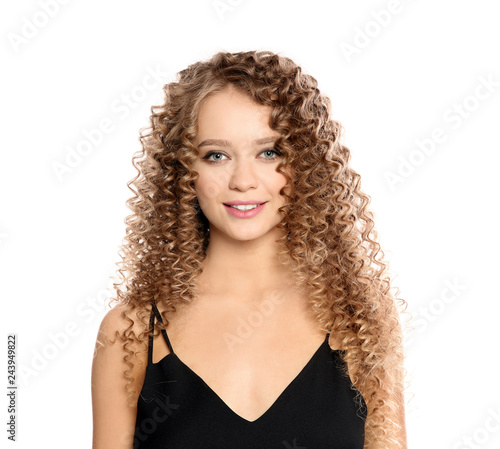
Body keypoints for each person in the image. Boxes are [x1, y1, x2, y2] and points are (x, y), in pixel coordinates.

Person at [91, 50, 408, 449]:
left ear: (305, 163)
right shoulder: (132, 331)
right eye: (216, 155)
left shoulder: (357, 315)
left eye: (269, 152)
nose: (243, 180)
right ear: (184, 172)